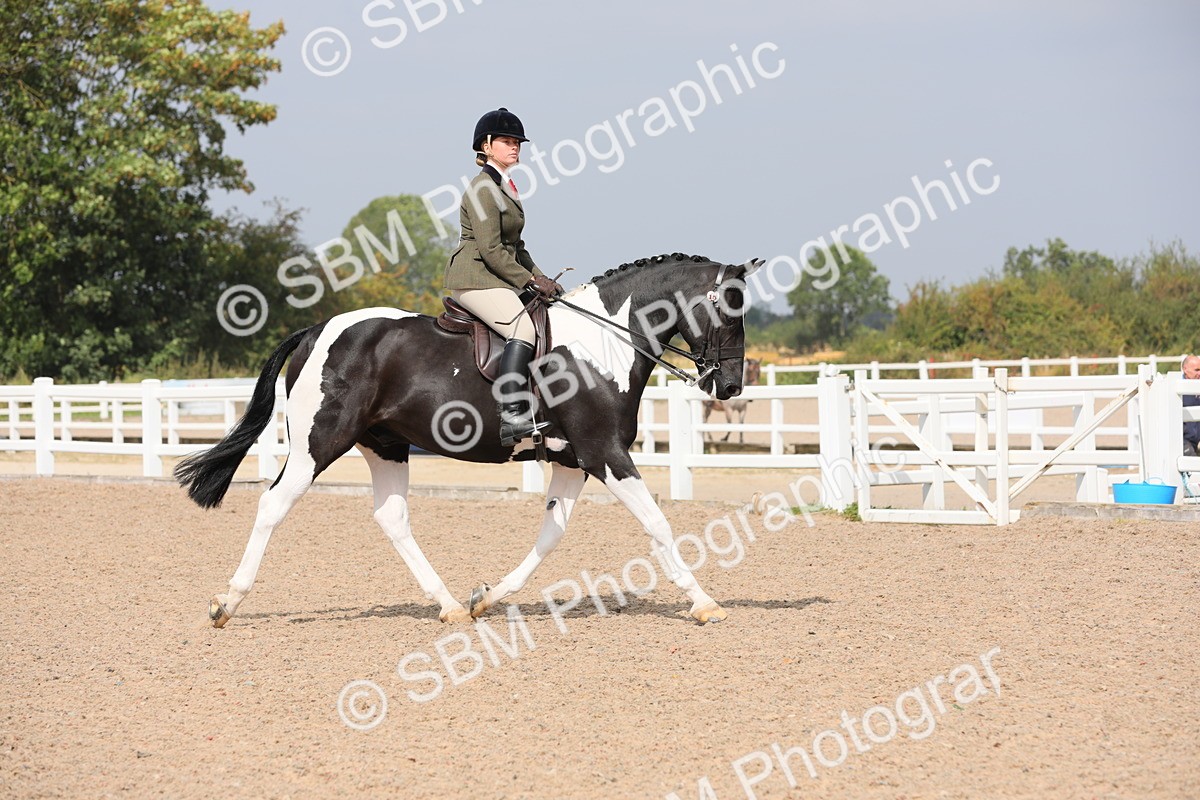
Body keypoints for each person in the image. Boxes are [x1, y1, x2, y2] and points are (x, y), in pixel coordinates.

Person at [443, 108, 563, 446]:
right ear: (486, 145)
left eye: (517, 142)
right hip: (474, 277)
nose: (515, 147)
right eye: (507, 141)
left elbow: (517, 246)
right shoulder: (483, 189)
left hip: (496, 275)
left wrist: (542, 278)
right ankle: (512, 415)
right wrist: (528, 281)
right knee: (522, 328)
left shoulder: (505, 186)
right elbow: (492, 250)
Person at [1183, 354, 1200, 456]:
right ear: (1185, 369)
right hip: (1182, 441)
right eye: (1196, 370)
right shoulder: (1176, 389)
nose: (1199, 373)